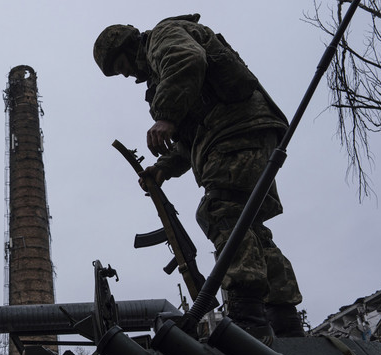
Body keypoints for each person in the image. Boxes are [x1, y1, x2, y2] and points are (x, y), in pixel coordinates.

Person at [93, 14, 304, 337]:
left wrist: (165, 116)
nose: (124, 74)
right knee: (249, 227)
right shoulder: (159, 73)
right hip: (238, 132)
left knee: (221, 213)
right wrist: (163, 167)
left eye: (119, 64)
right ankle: (284, 319)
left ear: (126, 46)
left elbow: (187, 59)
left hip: (234, 130)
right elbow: (190, 140)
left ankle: (248, 317)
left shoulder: (163, 38)